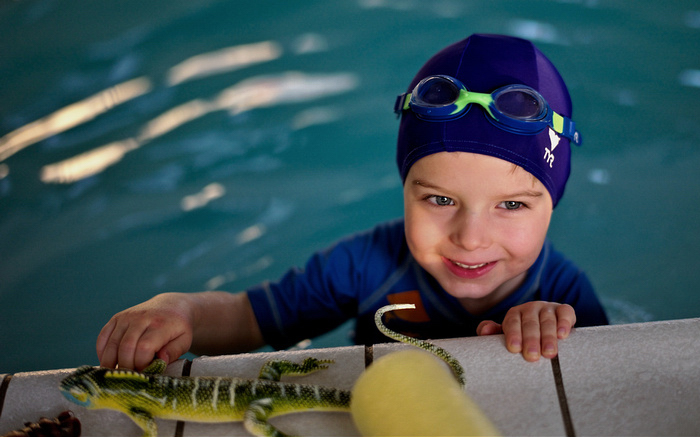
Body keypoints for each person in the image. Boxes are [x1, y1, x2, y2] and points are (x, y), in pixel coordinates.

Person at [97, 34, 608, 372]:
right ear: (404, 189)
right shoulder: (363, 266)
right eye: (440, 199)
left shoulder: (563, 295)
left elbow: (607, 380)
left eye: (512, 206)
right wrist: (182, 310)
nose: (470, 239)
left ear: (553, 204)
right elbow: (251, 319)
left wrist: (558, 334)